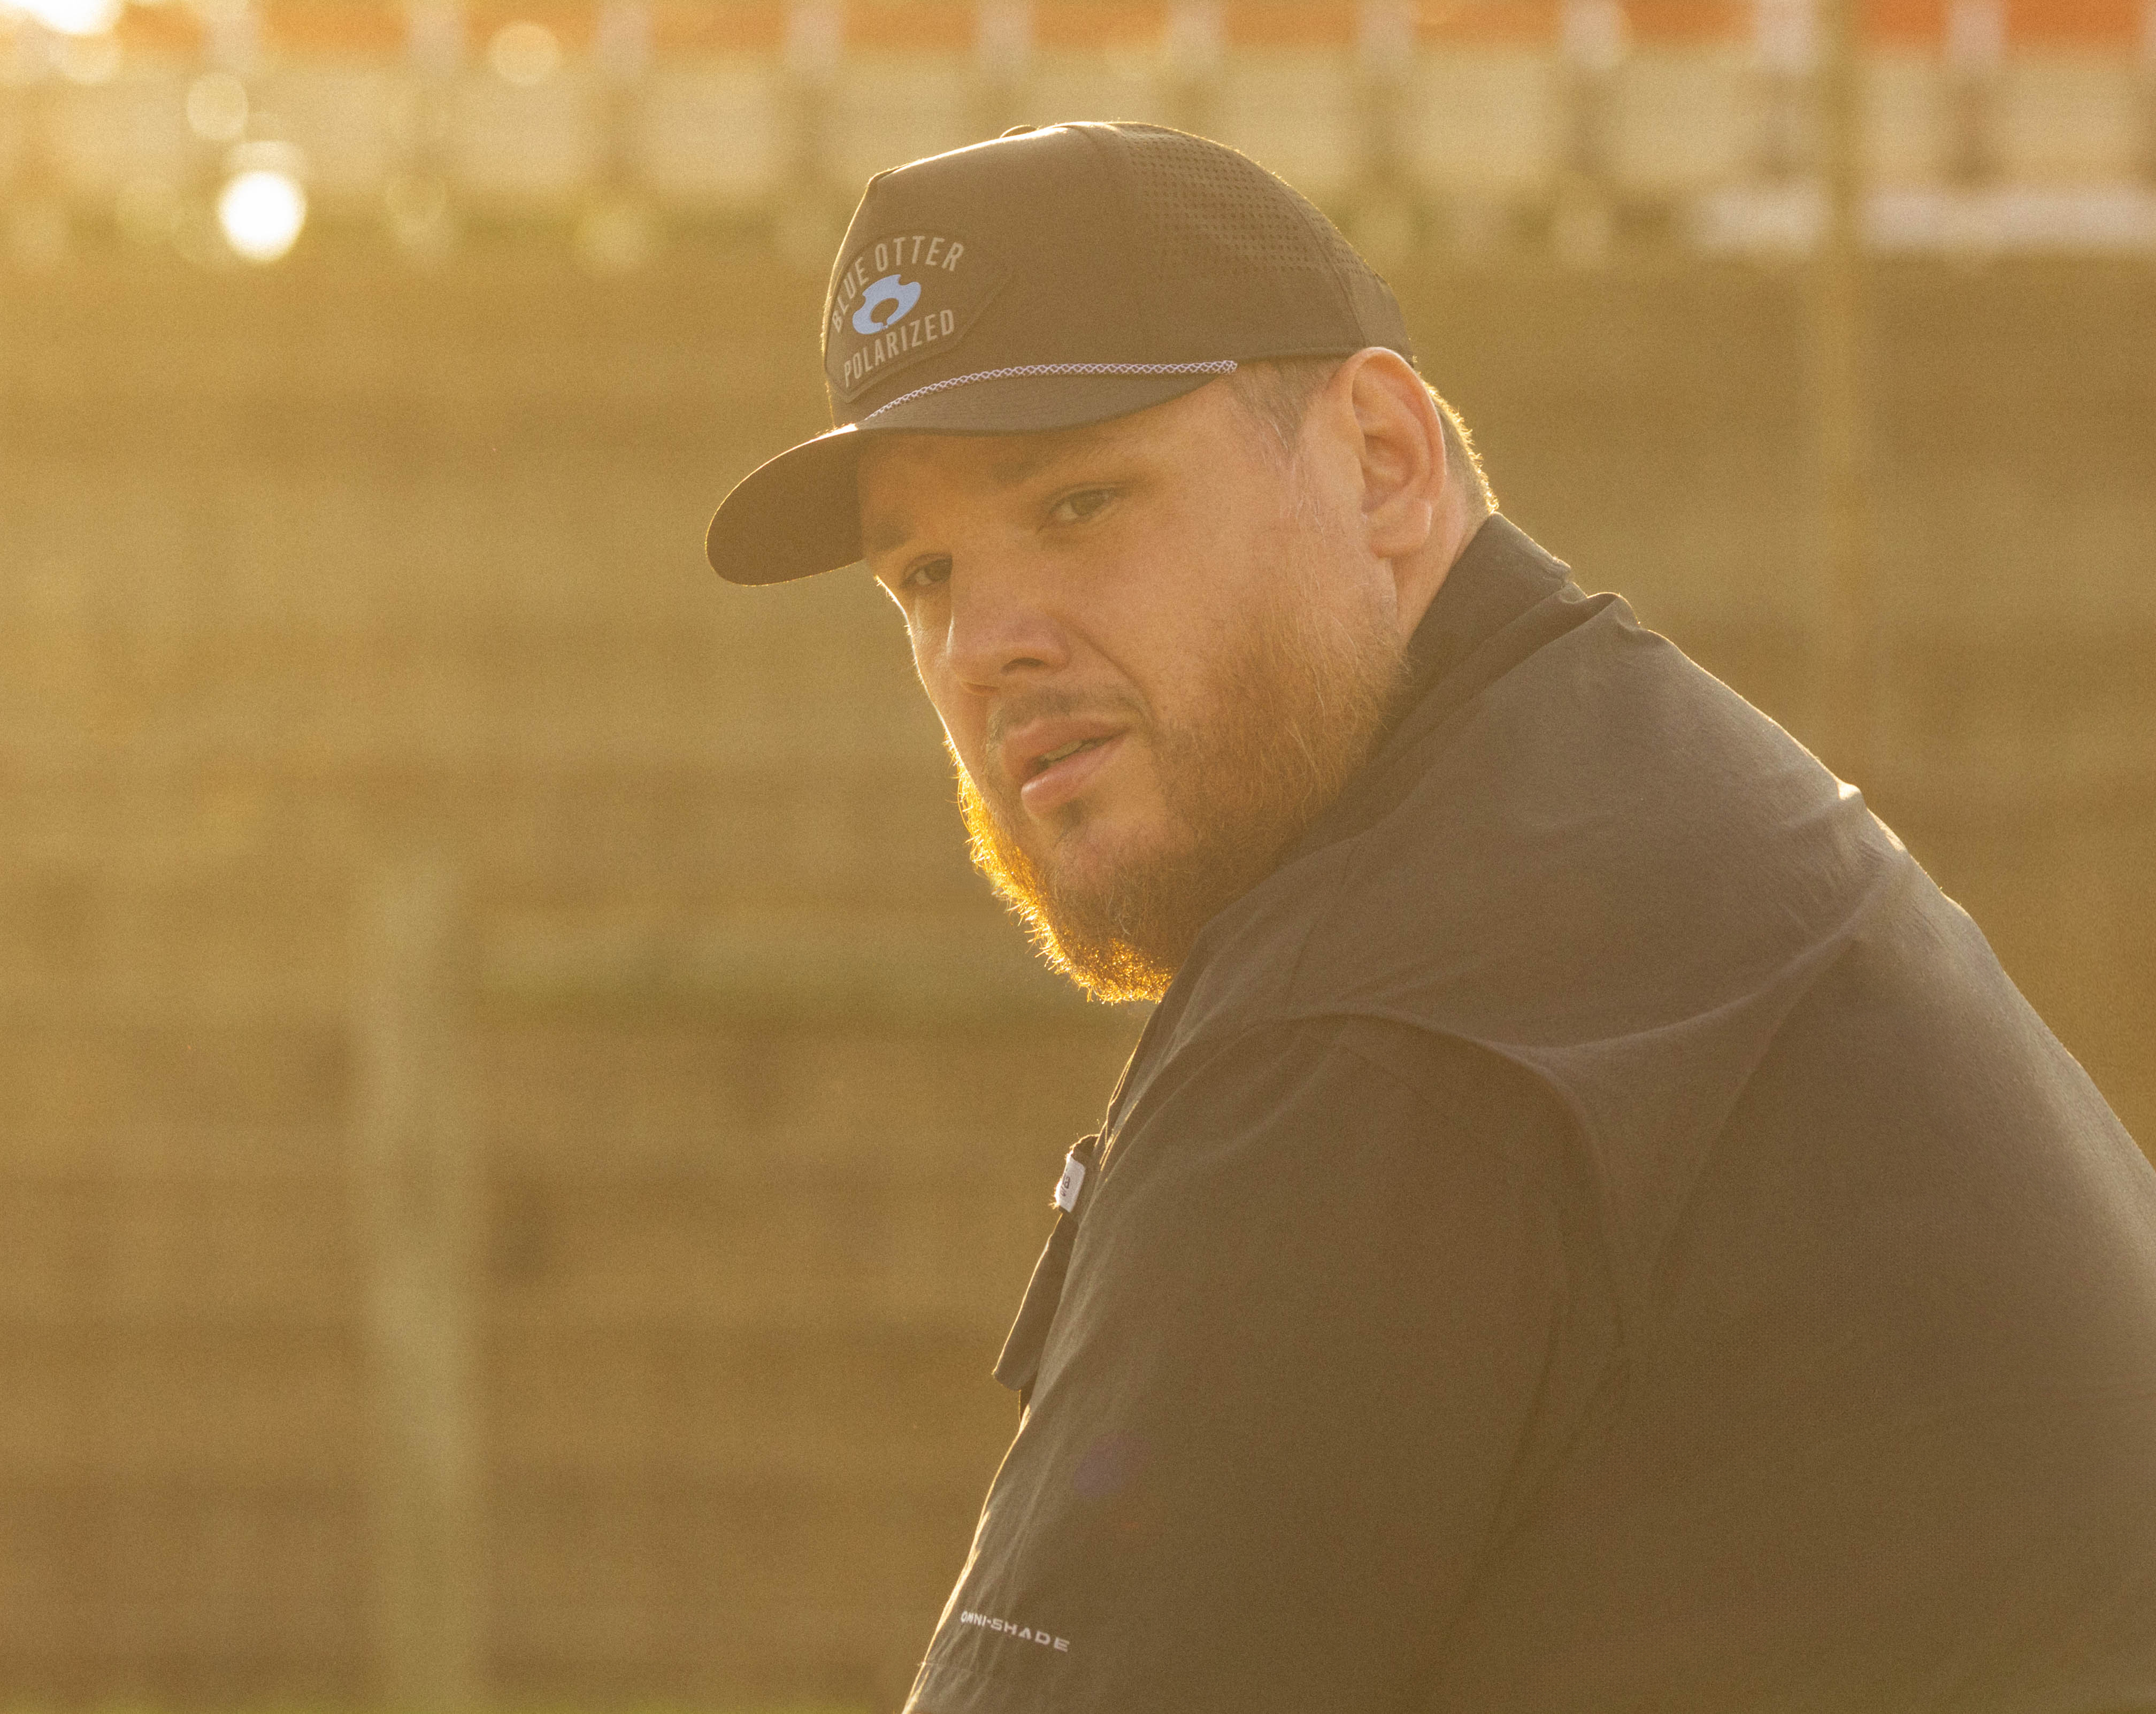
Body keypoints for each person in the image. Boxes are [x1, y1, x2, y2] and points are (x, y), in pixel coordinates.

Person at [706, 122, 2156, 1712]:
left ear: (1382, 462)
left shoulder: (1390, 1026)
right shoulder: (1631, 796)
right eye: (924, 576)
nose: (986, 645)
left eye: (1078, 504)